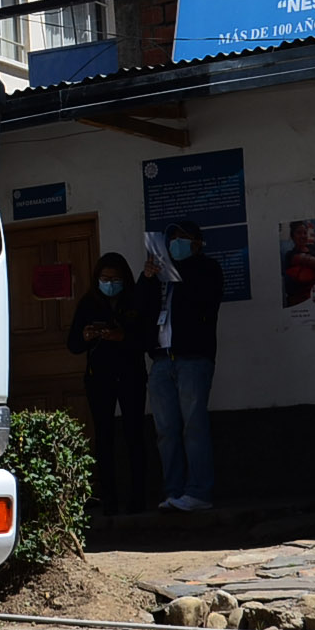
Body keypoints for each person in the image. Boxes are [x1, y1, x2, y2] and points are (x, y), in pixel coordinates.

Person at [142, 219, 222, 512]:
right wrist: (148, 278)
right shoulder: (159, 276)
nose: (176, 243)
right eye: (172, 239)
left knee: (194, 427)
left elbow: (206, 302)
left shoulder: (207, 269)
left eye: (182, 238)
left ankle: (199, 492)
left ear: (197, 243)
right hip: (162, 360)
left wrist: (178, 272)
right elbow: (141, 308)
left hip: (193, 359)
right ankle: (173, 492)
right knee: (166, 431)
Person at [66, 253, 154, 514]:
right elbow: (73, 345)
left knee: (134, 435)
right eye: (105, 278)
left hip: (131, 375)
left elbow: (147, 339)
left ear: (124, 279)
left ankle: (138, 498)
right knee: (104, 437)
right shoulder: (89, 303)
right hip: (99, 378)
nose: (110, 283)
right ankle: (109, 499)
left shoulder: (135, 300)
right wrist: (86, 336)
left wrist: (122, 337)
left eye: (115, 279)